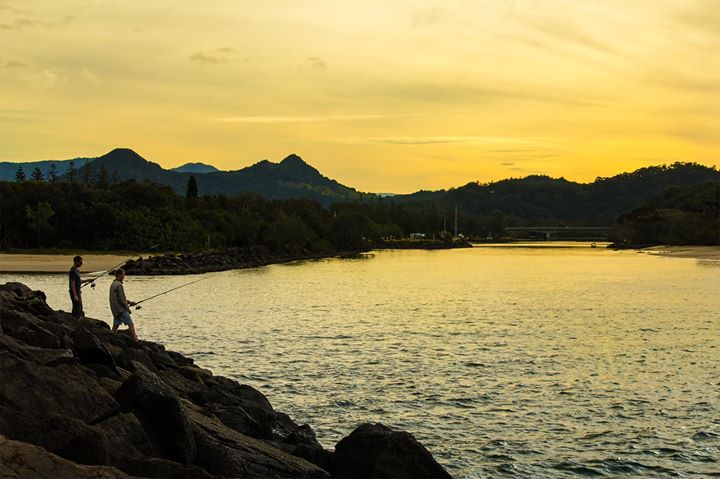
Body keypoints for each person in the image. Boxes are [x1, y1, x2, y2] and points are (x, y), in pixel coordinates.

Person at [109, 268, 138, 342]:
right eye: (123, 275)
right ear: (119, 275)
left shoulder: (113, 284)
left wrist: (130, 302)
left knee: (115, 326)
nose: (124, 277)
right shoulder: (119, 285)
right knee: (131, 324)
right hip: (120, 310)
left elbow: (119, 298)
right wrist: (128, 309)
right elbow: (122, 299)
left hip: (115, 310)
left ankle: (110, 339)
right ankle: (135, 341)